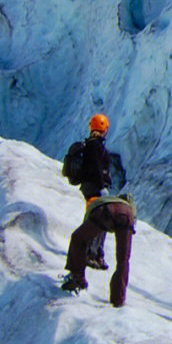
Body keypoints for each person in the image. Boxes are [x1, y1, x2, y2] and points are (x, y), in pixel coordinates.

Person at [62, 112, 127, 270]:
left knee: (96, 219)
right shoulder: (95, 146)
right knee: (99, 220)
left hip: (90, 187)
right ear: (104, 128)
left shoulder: (92, 144)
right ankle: (92, 253)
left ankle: (94, 252)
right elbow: (96, 168)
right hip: (95, 188)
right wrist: (102, 185)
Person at [61, 193, 137, 305]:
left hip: (105, 211)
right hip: (126, 215)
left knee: (77, 238)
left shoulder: (99, 202)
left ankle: (77, 278)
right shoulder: (127, 205)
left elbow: (83, 238)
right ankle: (118, 299)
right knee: (123, 259)